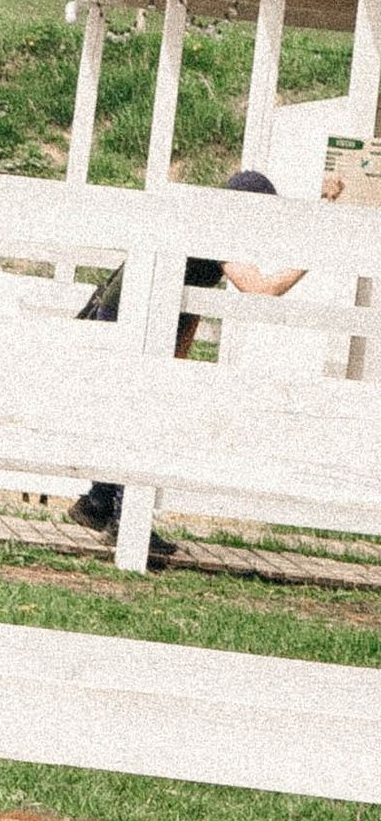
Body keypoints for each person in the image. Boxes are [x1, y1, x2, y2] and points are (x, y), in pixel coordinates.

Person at [72, 167, 311, 546]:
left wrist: (177, 357)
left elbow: (187, 294)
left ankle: (99, 502)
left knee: (134, 411)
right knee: (141, 417)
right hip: (132, 317)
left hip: (127, 312)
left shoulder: (201, 222)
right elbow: (260, 291)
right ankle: (123, 521)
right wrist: (308, 258)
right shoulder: (220, 232)